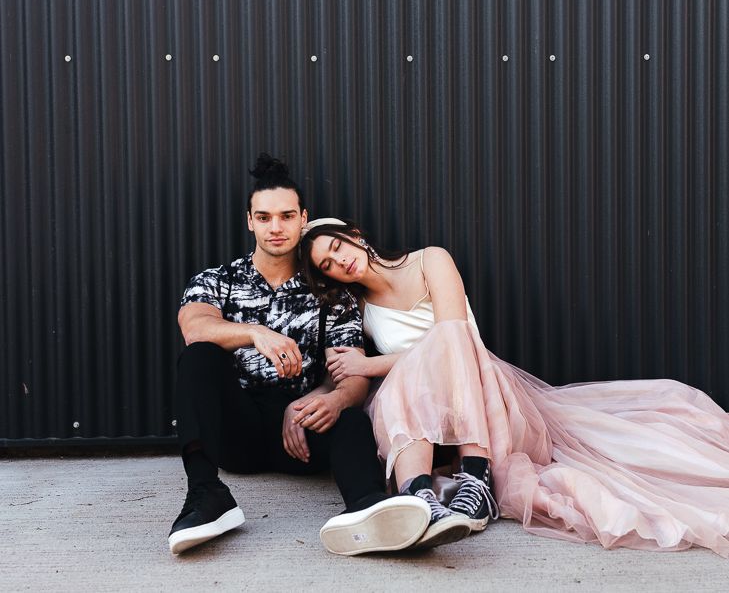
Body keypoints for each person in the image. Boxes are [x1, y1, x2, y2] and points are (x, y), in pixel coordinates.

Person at [300, 218, 729, 558]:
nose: (340, 263)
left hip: (481, 389)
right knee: (395, 384)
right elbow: (340, 371)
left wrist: (372, 363)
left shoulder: (430, 259)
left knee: (442, 342)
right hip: (425, 412)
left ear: (354, 235)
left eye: (338, 247)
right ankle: (419, 500)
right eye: (327, 266)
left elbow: (458, 335)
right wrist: (308, 400)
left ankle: (477, 478)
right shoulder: (355, 307)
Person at [168, 157, 431, 556]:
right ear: (250, 222)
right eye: (265, 217)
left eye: (287, 216)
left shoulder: (331, 293)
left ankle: (368, 510)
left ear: (302, 218)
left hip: (303, 433)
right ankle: (206, 496)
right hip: (235, 433)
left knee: (351, 420)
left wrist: (333, 399)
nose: (276, 227)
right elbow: (195, 327)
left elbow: (353, 375)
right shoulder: (217, 280)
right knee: (199, 356)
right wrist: (256, 333)